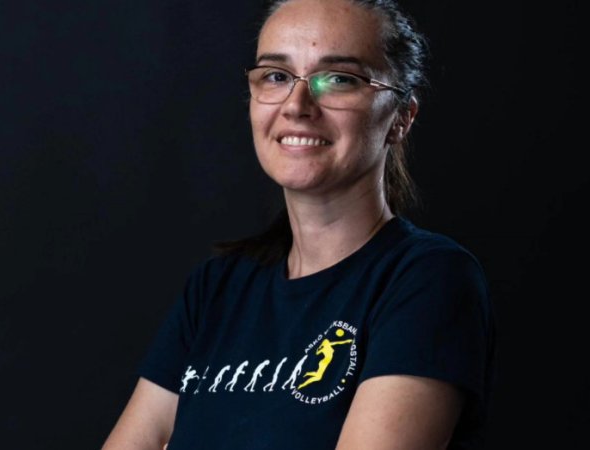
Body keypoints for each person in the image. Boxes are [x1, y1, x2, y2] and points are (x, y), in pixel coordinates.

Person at [101, 0, 496, 448]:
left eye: (339, 79)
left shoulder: (427, 279)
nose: (297, 105)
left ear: (401, 117)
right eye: (276, 76)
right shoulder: (216, 290)